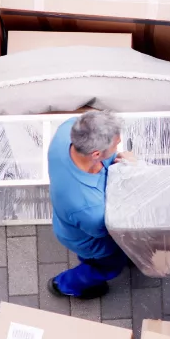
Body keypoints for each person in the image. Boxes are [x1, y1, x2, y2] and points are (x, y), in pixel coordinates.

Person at [46, 110, 134, 301]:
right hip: (92, 242)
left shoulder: (68, 130)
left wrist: (120, 160)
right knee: (106, 267)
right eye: (115, 145)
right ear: (96, 154)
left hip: (68, 221)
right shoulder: (91, 209)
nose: (118, 146)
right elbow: (112, 230)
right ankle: (66, 285)